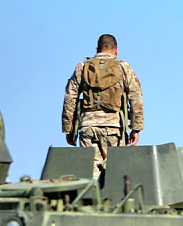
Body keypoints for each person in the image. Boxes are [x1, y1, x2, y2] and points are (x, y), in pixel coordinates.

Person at [62, 34, 144, 180]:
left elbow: (70, 98)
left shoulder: (82, 67)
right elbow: (135, 98)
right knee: (116, 176)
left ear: (97, 49)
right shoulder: (123, 68)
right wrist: (135, 128)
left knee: (89, 178)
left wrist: (68, 129)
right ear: (116, 50)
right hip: (114, 129)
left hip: (88, 128)